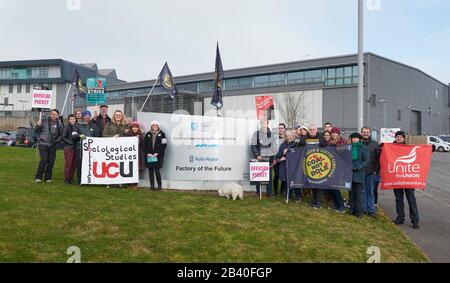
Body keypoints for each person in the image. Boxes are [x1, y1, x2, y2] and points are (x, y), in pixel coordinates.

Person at [392, 131, 420, 229]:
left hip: (408, 179)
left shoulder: (408, 148)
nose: (399, 138)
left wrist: (430, 149)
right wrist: (382, 147)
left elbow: (421, 153)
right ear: (395, 138)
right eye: (397, 137)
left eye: (401, 137)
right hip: (396, 178)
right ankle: (400, 218)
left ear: (404, 138)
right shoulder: (391, 148)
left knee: (411, 200)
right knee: (399, 199)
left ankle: (415, 220)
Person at [297, 124, 326, 209]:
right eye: (310, 129)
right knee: (313, 183)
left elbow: (324, 144)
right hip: (310, 163)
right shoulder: (305, 137)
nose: (312, 131)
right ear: (308, 130)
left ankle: (318, 202)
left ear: (316, 130)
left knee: (319, 183)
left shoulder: (320, 136)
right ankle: (314, 200)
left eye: (313, 129)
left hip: (319, 163)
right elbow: (300, 144)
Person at [34, 109, 64, 183]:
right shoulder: (43, 120)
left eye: (56, 115)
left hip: (52, 145)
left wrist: (56, 141)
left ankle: (48, 177)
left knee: (51, 161)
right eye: (53, 114)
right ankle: (38, 177)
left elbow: (61, 134)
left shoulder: (59, 124)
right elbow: (36, 131)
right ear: (50, 114)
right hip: (43, 143)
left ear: (58, 116)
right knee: (43, 160)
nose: (54, 116)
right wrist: (38, 125)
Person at [251, 119, 276, 198]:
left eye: (265, 123)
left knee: (269, 176)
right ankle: (258, 193)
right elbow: (253, 146)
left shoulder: (272, 134)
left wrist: (272, 156)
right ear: (260, 124)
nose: (263, 125)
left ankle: (270, 193)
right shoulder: (256, 134)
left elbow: (274, 147)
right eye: (262, 123)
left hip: (269, 159)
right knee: (258, 176)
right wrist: (257, 155)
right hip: (259, 159)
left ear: (268, 124)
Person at [72, 111, 99, 185]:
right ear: (83, 116)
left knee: (89, 164)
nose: (87, 117)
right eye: (86, 115)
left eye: (88, 115)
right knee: (80, 164)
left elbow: (97, 136)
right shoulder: (78, 125)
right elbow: (73, 134)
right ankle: (80, 180)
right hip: (80, 148)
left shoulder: (94, 125)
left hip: (90, 149)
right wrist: (79, 135)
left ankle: (89, 179)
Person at [348, 133, 370, 218]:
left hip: (359, 173)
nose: (354, 140)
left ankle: (359, 212)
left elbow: (367, 161)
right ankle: (352, 209)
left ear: (359, 139)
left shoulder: (364, 148)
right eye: (353, 138)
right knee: (351, 193)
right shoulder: (349, 148)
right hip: (350, 173)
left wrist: (359, 167)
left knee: (358, 194)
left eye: (356, 138)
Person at [276, 129, 301, 202]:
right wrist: (282, 155)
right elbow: (278, 155)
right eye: (287, 136)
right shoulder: (283, 145)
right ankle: (288, 196)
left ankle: (298, 196)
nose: (288, 137)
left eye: (290, 136)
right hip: (285, 166)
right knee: (287, 180)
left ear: (293, 136)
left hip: (295, 166)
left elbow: (297, 155)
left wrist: (288, 153)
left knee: (296, 180)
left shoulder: (296, 144)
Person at [361, 127, 380, 217]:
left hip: (371, 172)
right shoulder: (358, 144)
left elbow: (378, 159)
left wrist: (376, 170)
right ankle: (364, 208)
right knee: (363, 191)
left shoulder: (375, 144)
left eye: (367, 132)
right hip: (360, 172)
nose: (365, 133)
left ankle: (371, 210)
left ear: (370, 133)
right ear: (361, 133)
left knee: (371, 192)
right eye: (364, 132)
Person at [143, 121, 167, 190]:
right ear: (151, 126)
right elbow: (144, 145)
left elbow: (164, 145)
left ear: (158, 126)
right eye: (153, 125)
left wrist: (158, 153)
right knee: (150, 170)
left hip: (158, 156)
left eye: (156, 125)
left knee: (157, 170)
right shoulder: (148, 134)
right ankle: (152, 186)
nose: (154, 126)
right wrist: (147, 153)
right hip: (149, 156)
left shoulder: (162, 134)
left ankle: (159, 186)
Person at [62, 114, 78, 184]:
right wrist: (70, 143)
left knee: (74, 164)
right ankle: (66, 178)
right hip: (68, 147)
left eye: (74, 119)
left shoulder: (76, 127)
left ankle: (71, 177)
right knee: (69, 163)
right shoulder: (67, 127)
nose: (72, 120)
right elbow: (63, 137)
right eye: (71, 119)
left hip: (75, 147)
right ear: (69, 120)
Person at [273, 123, 286, 196]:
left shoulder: (287, 137)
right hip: (277, 158)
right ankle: (275, 190)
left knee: (284, 175)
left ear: (284, 129)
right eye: (279, 128)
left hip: (284, 159)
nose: (280, 129)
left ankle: (282, 190)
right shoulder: (274, 138)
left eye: (282, 128)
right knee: (276, 175)